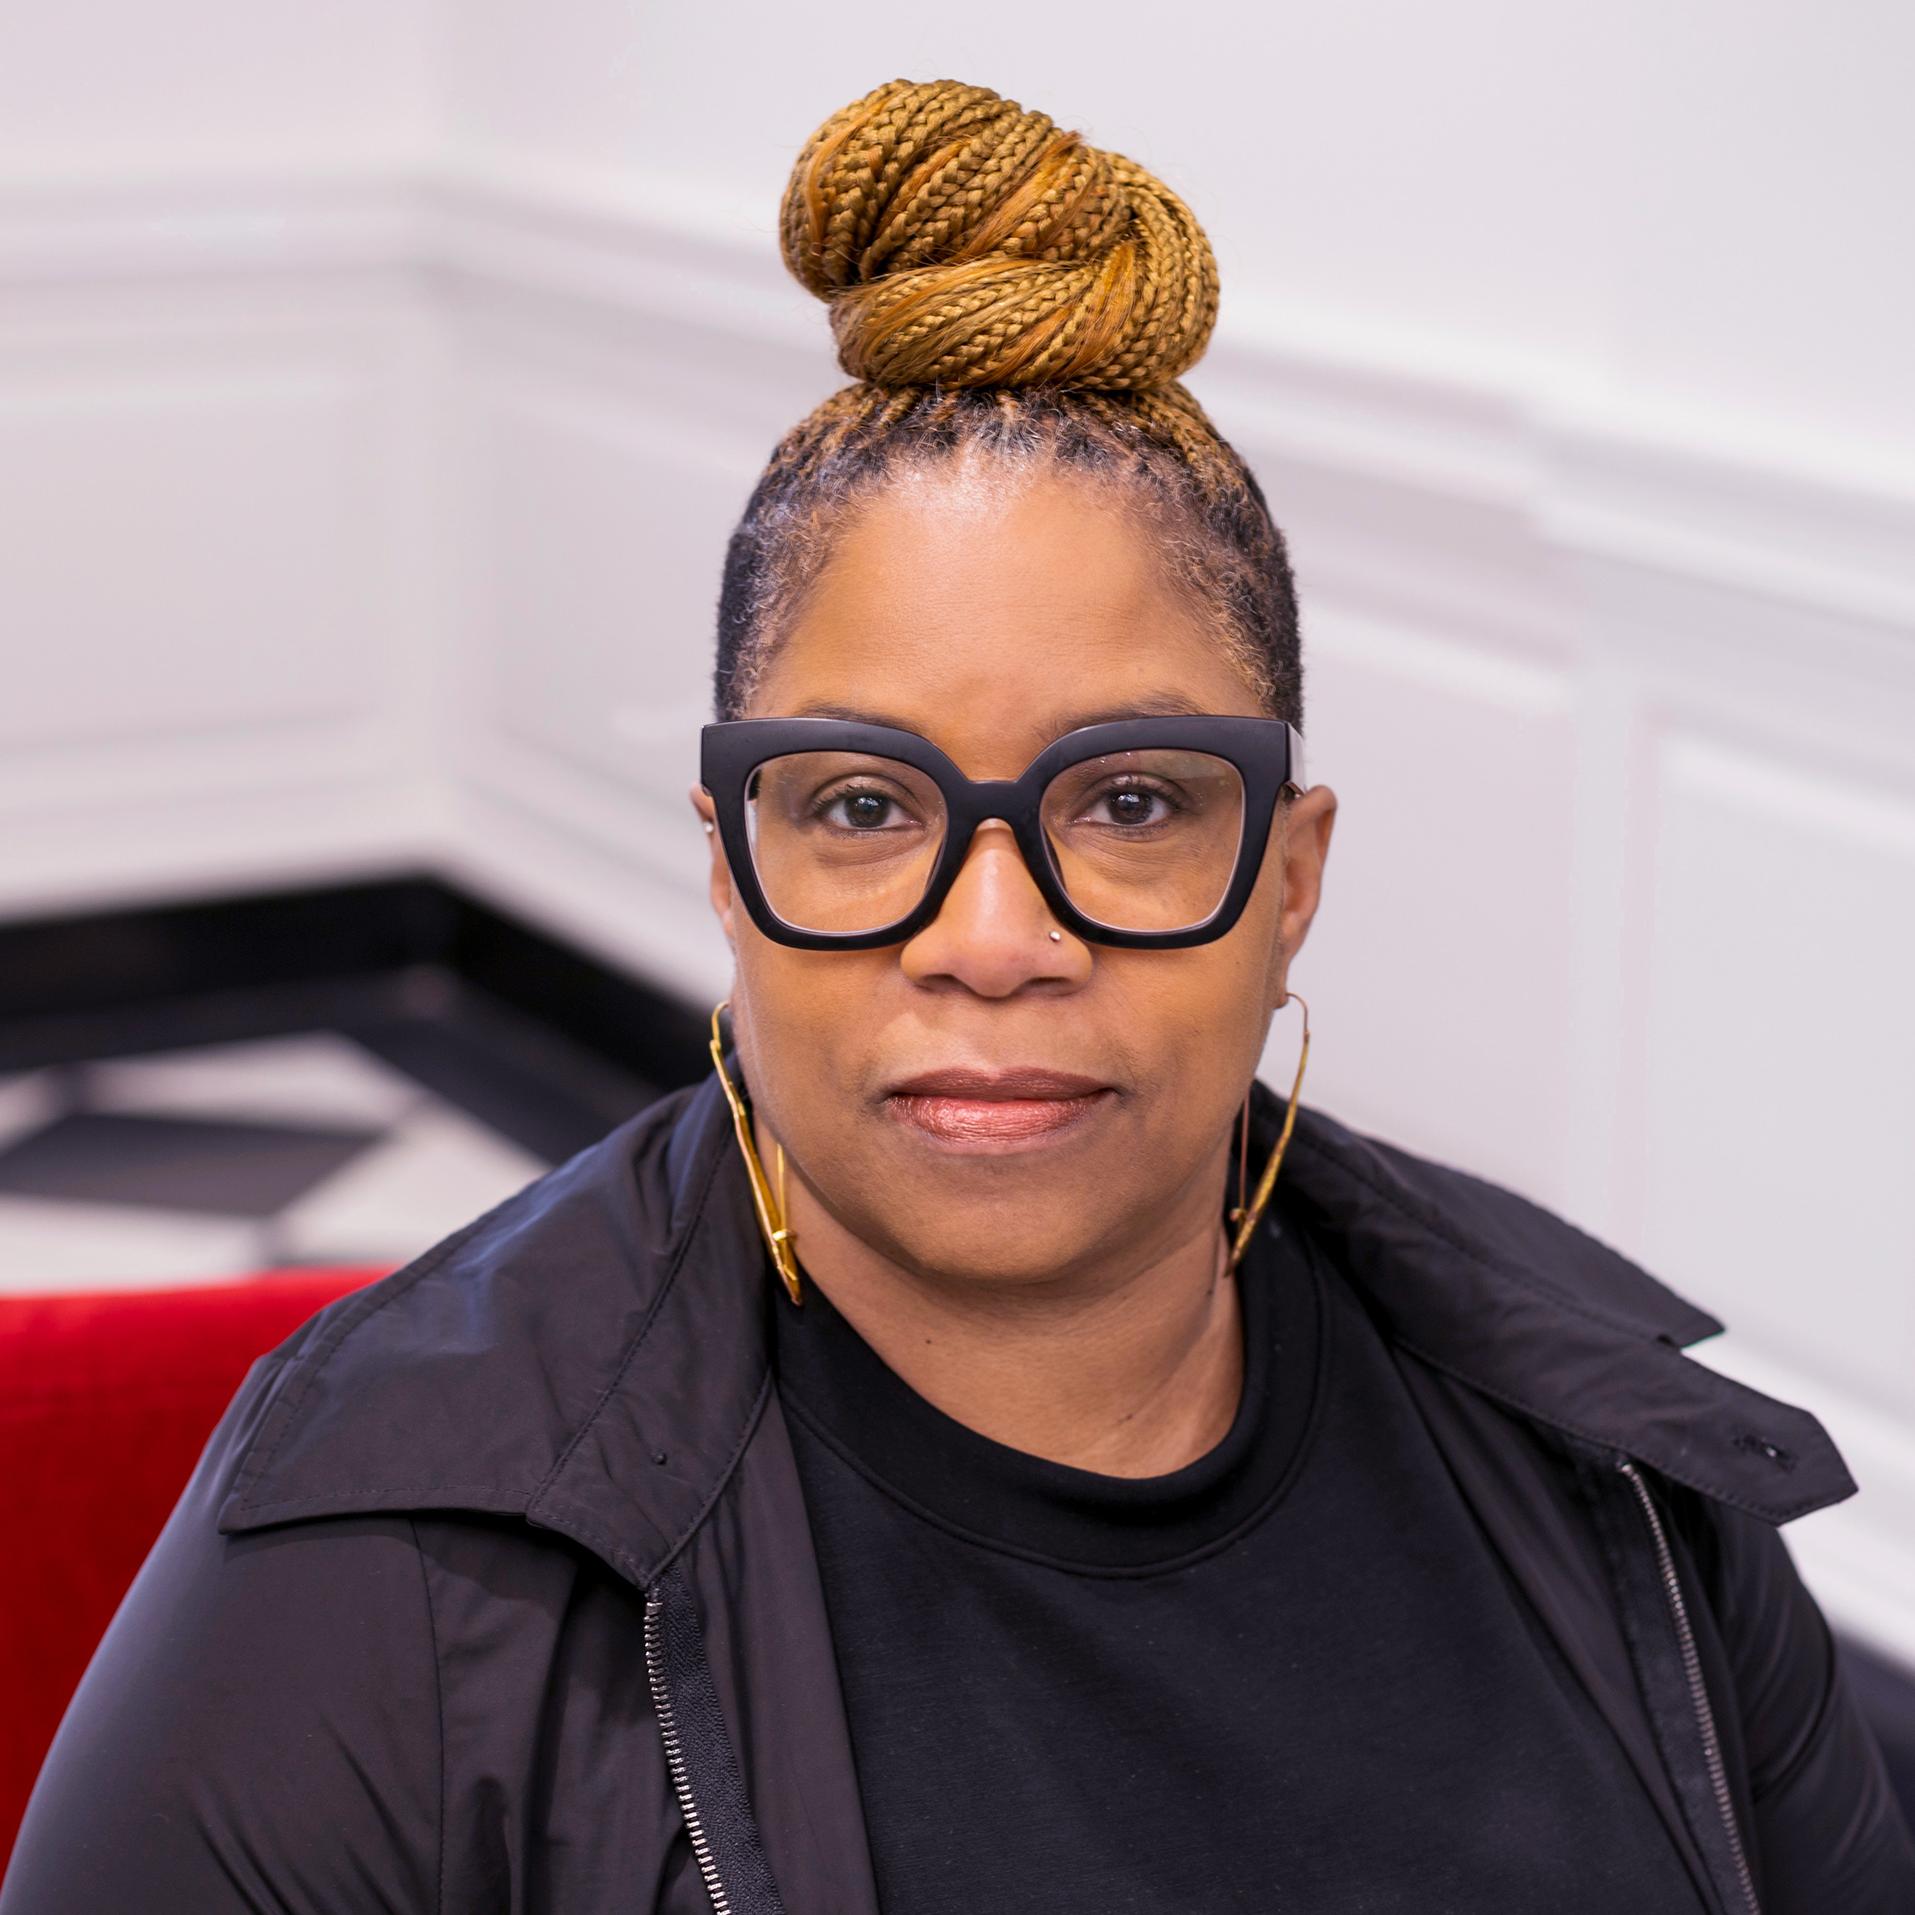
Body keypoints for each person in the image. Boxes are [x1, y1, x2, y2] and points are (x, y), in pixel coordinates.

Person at [5, 76, 1912, 1915]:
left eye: (1135, 800)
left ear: (1292, 879)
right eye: (860, 805)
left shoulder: (1625, 1483)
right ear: (729, 861)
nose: (993, 935)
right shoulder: (379, 1577)